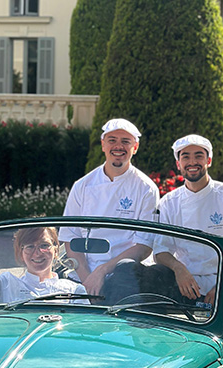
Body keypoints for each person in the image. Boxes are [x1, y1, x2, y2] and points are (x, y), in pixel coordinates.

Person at [58, 118, 160, 295]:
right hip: (82, 276)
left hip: (127, 279)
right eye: (112, 140)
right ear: (103, 144)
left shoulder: (146, 189)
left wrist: (103, 271)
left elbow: (144, 246)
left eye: (125, 142)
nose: (118, 146)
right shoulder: (82, 185)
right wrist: (88, 280)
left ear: (135, 148)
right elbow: (70, 238)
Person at [154, 134, 223, 304]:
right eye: (186, 157)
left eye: (198, 156)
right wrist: (178, 268)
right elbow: (160, 251)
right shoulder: (168, 203)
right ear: (178, 164)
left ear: (208, 161)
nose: (192, 162)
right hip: (184, 286)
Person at [0, 211, 87, 304]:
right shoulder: (5, 284)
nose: (37, 253)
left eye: (44, 245)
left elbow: (81, 332)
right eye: (30, 246)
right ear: (20, 252)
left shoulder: (75, 291)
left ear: (56, 250)